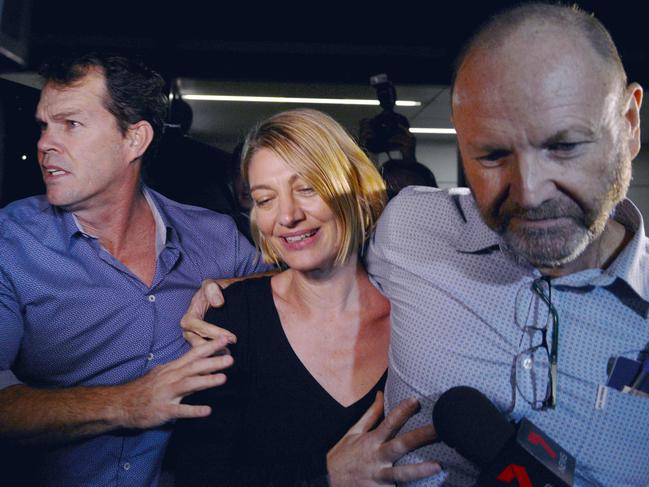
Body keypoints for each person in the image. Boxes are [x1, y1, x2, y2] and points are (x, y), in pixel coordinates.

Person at [366, 3, 649, 485]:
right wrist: (221, 291)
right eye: (493, 154)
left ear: (628, 123)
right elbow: (300, 278)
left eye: (563, 146)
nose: (530, 191)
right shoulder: (412, 227)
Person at [0, 53, 267, 486]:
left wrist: (240, 285)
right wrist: (130, 403)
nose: (45, 143)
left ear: (134, 139)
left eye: (70, 124)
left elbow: (301, 293)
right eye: (44, 125)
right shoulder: (10, 244)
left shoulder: (215, 239)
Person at [172, 108, 438, 486]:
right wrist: (324, 477)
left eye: (307, 189)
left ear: (355, 190)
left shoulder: (417, 319)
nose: (288, 216)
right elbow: (196, 478)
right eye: (265, 200)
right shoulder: (231, 319)